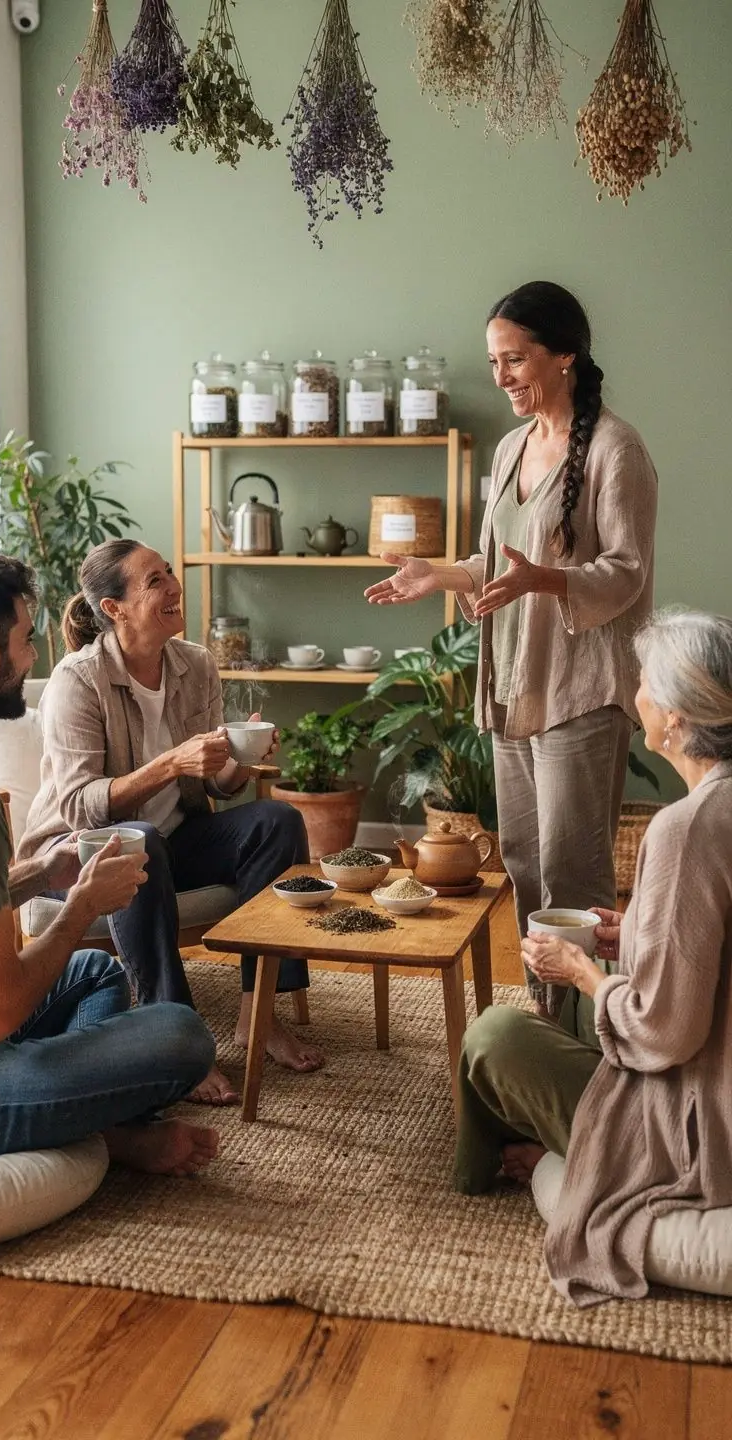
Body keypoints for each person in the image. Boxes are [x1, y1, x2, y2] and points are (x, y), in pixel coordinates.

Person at [365, 280, 658, 1015]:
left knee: (573, 872)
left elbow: (627, 572)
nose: (500, 377)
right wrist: (439, 575)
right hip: (513, 686)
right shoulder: (510, 447)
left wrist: (547, 580)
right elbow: (497, 563)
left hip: (581, 691)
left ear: (565, 356)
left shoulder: (616, 450)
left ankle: (591, 1038)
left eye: (515, 359)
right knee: (524, 861)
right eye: (493, 361)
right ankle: (545, 1020)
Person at [453, 609, 732, 1306]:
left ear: (674, 717)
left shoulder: (686, 829)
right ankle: (544, 1144)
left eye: (641, 681)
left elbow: (665, 1031)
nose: (634, 695)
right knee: (576, 1010)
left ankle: (486, 1175)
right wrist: (631, 934)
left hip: (706, 1122)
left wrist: (583, 971)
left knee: (494, 1034)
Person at [0, 552, 219, 1177]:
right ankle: (107, 1130)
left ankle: (82, 1114)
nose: (34, 658)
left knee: (94, 972)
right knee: (181, 1036)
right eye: (26, 640)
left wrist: (40, 872)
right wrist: (82, 905)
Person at [18, 539, 324, 1105]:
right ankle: (170, 1032)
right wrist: (172, 763)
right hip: (82, 856)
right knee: (137, 839)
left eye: (168, 572)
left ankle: (259, 1014)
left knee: (278, 820)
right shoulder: (77, 680)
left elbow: (214, 786)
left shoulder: (195, 663)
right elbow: (80, 805)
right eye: (154, 580)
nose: (173, 586)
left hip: (173, 840)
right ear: (114, 608)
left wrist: (240, 761)